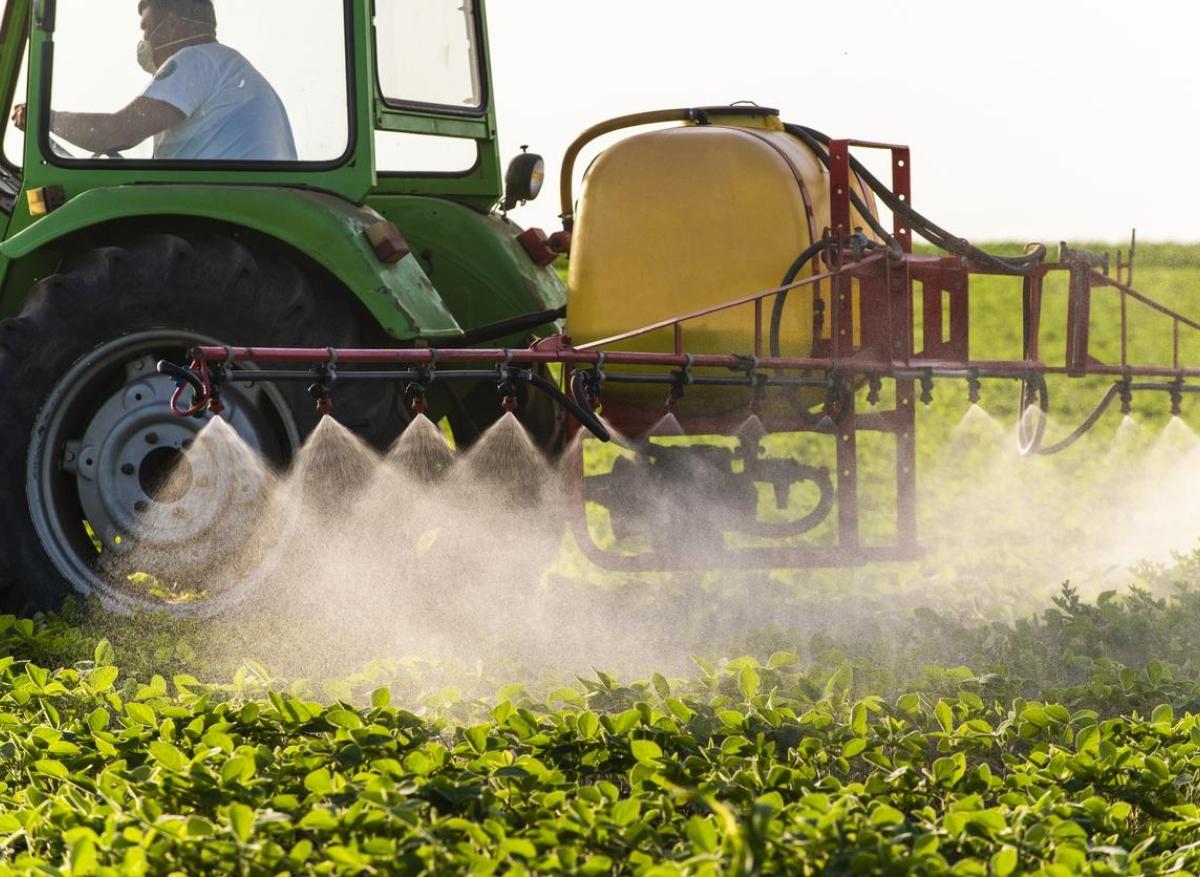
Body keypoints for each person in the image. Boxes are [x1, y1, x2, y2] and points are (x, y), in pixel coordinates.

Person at [12, 0, 297, 161]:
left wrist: (45, 118)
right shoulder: (230, 68)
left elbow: (116, 132)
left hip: (217, 214)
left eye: (146, 27)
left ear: (171, 23)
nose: (144, 40)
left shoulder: (194, 60)